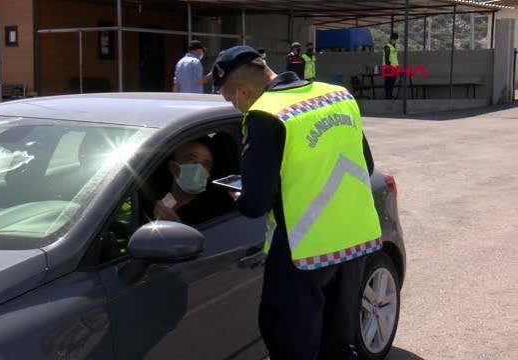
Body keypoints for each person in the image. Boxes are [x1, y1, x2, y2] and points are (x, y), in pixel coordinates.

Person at [212, 46, 382, 359]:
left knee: (293, 345)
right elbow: (366, 166)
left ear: (241, 90)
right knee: (339, 344)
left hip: (302, 254)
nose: (234, 107)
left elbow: (255, 205)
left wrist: (240, 195)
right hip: (355, 244)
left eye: (229, 99)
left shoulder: (264, 115)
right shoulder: (338, 95)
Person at [152, 139, 233, 225]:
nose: (199, 168)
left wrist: (175, 225)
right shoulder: (156, 196)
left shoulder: (215, 209)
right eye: (192, 160)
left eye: (206, 164)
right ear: (173, 167)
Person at [383, 33, 399, 99]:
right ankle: (388, 96)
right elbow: (386, 58)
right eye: (394, 39)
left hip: (394, 67)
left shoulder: (395, 46)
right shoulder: (387, 47)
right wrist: (388, 67)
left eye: (396, 39)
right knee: (388, 82)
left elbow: (394, 57)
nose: (395, 40)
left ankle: (390, 95)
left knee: (392, 82)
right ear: (391, 39)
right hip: (388, 67)